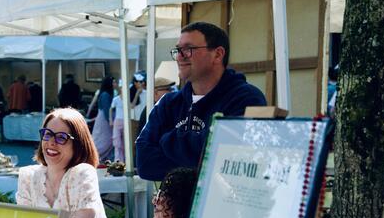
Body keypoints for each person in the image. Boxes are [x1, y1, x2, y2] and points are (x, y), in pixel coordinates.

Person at [136, 21, 266, 181]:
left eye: (188, 49)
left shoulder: (247, 99)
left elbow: (229, 160)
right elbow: (144, 164)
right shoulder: (168, 103)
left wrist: (166, 141)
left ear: (218, 54)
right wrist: (199, 155)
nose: (179, 56)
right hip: (177, 198)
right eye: (178, 50)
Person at [16, 108, 118, 218]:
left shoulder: (83, 173)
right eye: (47, 134)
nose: (51, 142)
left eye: (61, 137)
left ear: (78, 144)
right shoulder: (28, 177)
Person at [86, 76, 114, 162]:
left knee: (101, 138)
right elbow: (106, 110)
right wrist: (110, 121)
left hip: (102, 119)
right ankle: (94, 156)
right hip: (104, 120)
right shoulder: (105, 95)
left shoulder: (104, 93)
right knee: (104, 139)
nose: (115, 84)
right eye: (113, 82)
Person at [109, 79, 125, 163]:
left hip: (126, 122)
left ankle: (125, 161)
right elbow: (111, 109)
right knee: (117, 141)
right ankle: (117, 161)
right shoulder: (116, 99)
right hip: (118, 120)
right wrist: (110, 120)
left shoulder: (128, 99)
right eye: (122, 87)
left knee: (125, 142)